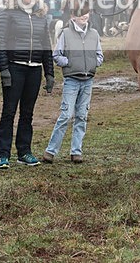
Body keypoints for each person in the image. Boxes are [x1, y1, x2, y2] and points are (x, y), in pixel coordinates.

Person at [0, 0, 54, 168]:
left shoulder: (41, 16)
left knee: (27, 113)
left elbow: (46, 46)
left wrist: (49, 73)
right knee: (9, 112)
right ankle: (3, 154)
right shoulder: (8, 14)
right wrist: (4, 70)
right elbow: (1, 43)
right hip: (15, 68)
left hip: (35, 69)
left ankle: (24, 152)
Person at [43, 10, 103, 164]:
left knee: (82, 116)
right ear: (73, 16)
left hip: (88, 80)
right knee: (66, 115)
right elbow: (57, 55)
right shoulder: (65, 34)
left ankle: (76, 151)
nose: (84, 16)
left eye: (86, 13)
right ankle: (50, 151)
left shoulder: (94, 34)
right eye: (80, 13)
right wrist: (69, 63)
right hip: (71, 80)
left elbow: (99, 54)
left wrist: (93, 63)